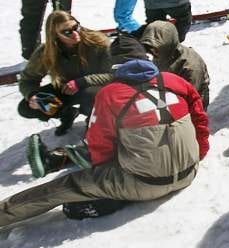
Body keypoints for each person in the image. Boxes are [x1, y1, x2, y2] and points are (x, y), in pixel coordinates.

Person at [2, 58, 209, 227]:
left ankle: (5, 213)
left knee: (67, 186)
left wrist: (102, 173)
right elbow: (200, 120)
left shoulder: (111, 94)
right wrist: (198, 153)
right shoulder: (175, 81)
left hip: (146, 182)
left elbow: (99, 146)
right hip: (189, 172)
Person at [17, 11, 111, 136]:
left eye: (76, 27)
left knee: (91, 94)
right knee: (26, 107)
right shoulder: (47, 52)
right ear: (55, 35)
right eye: (67, 32)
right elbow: (28, 79)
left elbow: (112, 75)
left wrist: (81, 82)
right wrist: (33, 95)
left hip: (96, 88)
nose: (75, 33)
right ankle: (66, 113)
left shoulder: (98, 42)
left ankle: (94, 120)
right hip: (66, 89)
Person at [140, 20, 210, 109]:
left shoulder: (190, 65)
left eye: (156, 48)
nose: (152, 52)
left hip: (191, 101)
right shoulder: (162, 55)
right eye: (149, 48)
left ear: (168, 44)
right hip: (167, 94)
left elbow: (191, 94)